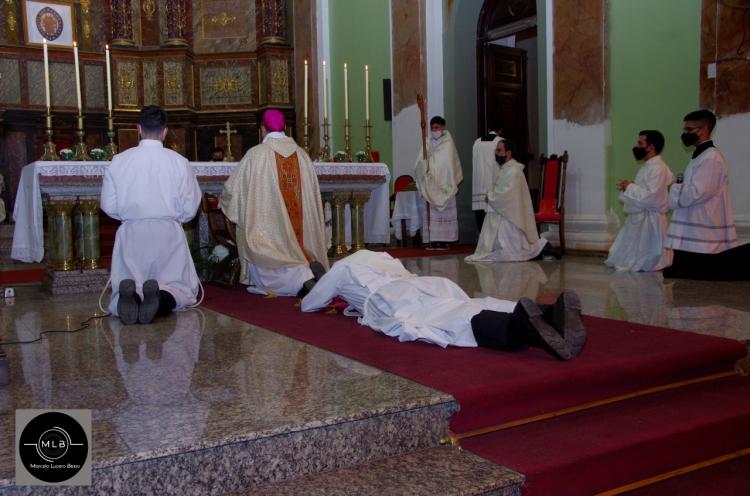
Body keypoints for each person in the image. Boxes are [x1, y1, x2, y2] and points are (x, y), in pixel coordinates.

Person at [301, 250, 586, 360]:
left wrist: (320, 288)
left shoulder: (342, 268)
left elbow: (311, 305)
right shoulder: (380, 255)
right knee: (469, 303)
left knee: (448, 319)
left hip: (390, 298)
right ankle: (550, 314)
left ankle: (522, 328)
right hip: (425, 283)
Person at [101, 105, 201, 325]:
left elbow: (108, 204)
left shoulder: (119, 161)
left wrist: (131, 215)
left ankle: (133, 296)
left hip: (133, 233)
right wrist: (177, 218)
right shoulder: (179, 162)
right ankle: (161, 299)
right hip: (167, 234)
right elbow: (190, 206)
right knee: (178, 287)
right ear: (165, 132)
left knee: (130, 280)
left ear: (138, 129)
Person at [220, 109, 329, 296]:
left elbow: (232, 191)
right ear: (285, 128)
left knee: (268, 258)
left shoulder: (256, 154)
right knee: (298, 253)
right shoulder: (302, 155)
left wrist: (223, 201)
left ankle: (302, 282)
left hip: (269, 234)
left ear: (262, 130)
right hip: (302, 238)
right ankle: (310, 269)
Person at [663, 110, 750, 280]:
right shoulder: (700, 156)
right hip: (695, 223)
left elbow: (697, 192)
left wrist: (673, 188)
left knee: (698, 271)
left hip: (703, 229)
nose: (685, 133)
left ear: (703, 129)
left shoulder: (711, 158)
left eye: (689, 129)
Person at [466, 139, 558, 262]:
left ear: (508, 153)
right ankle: (539, 249)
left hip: (511, 217)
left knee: (509, 250)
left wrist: (491, 196)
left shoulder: (514, 171)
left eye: (499, 151)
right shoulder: (505, 169)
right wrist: (492, 194)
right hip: (505, 212)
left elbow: (506, 196)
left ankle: (541, 248)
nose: (496, 154)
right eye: (496, 151)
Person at [605, 130, 674, 271]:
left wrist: (629, 187)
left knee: (644, 259)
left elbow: (652, 198)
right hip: (641, 217)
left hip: (651, 220)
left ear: (651, 147)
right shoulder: (648, 166)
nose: (636, 146)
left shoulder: (658, 168)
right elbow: (645, 190)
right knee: (623, 257)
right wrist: (630, 186)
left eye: (640, 143)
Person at [415, 116, 463, 250]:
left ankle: (445, 241)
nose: (434, 130)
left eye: (436, 127)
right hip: (431, 184)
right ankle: (434, 240)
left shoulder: (448, 143)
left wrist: (433, 165)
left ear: (443, 128)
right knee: (433, 215)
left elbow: (448, 164)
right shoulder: (427, 142)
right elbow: (420, 161)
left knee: (444, 214)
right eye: (432, 128)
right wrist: (423, 164)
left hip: (444, 184)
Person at [472, 122, 503, 231]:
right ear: (501, 130)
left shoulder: (477, 142)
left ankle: (483, 244)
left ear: (488, 128)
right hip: (493, 186)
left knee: (481, 221)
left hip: (478, 186)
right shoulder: (501, 142)